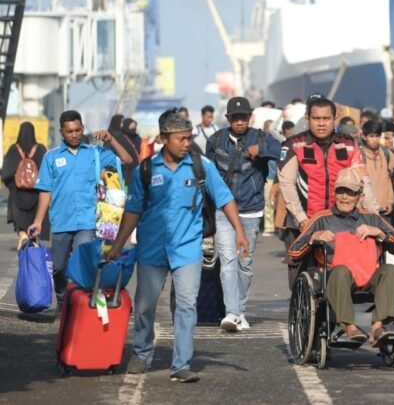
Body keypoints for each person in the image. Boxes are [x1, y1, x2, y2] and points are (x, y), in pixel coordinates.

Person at [106, 109, 249, 383]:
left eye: (188, 138)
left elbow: (225, 198)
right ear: (163, 138)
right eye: (181, 139)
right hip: (151, 250)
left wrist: (239, 232)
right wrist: (117, 246)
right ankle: (142, 352)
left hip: (187, 249)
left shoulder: (201, 166)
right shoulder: (145, 169)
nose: (187, 143)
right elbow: (133, 210)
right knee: (145, 304)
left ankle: (181, 363)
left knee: (186, 304)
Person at [287, 167, 394, 346]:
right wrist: (314, 238)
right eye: (340, 191)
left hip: (368, 276)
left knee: (390, 270)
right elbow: (293, 251)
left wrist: (380, 233)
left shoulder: (372, 218)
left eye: (350, 193)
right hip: (334, 277)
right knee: (342, 271)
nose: (344, 197)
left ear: (360, 197)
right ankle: (350, 327)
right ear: (334, 194)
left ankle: (378, 327)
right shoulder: (322, 219)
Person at [28, 110, 133, 303]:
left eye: (77, 130)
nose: (74, 134)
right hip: (60, 221)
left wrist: (112, 140)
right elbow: (45, 191)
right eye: (69, 131)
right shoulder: (51, 157)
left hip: (87, 221)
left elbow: (127, 160)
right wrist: (38, 221)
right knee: (59, 267)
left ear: (82, 129)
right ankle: (62, 299)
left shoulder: (95, 153)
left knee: (81, 262)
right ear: (61, 132)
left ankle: (79, 304)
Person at [278, 94, 378, 286]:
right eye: (316, 119)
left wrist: (374, 214)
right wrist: (301, 219)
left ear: (335, 119)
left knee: (338, 272)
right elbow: (287, 185)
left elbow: (364, 181)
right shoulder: (294, 145)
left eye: (326, 119)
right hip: (302, 220)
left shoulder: (349, 145)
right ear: (308, 119)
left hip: (339, 221)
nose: (321, 124)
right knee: (302, 279)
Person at [205, 97, 281, 332]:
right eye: (235, 118)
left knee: (244, 264)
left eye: (243, 117)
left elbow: (283, 151)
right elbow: (207, 172)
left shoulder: (261, 137)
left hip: (251, 211)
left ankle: (240, 310)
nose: (239, 121)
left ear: (250, 118)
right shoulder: (216, 140)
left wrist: (262, 150)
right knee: (227, 262)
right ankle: (232, 313)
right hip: (224, 211)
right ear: (227, 119)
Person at [1, 122, 48, 250]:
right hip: (37, 193)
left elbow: (5, 173)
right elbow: (48, 172)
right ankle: (32, 239)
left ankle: (22, 235)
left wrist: (13, 186)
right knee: (35, 217)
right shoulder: (41, 149)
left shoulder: (13, 150)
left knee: (19, 217)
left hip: (17, 194)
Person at [361, 120, 394, 217]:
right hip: (365, 210)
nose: (375, 139)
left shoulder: (387, 154)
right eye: (371, 136)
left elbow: (389, 180)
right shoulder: (359, 155)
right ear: (364, 136)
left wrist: (390, 201)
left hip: (384, 209)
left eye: (377, 136)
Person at [106, 114, 140, 186]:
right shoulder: (114, 137)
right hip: (118, 172)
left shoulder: (123, 136)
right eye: (122, 122)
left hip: (124, 170)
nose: (123, 124)